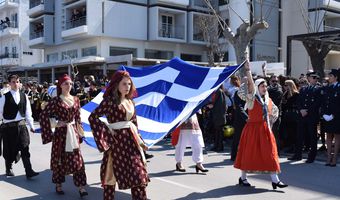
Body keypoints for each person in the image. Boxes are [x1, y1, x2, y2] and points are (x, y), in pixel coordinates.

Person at [88, 70, 149, 200]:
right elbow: (93, 117)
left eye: (129, 84)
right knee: (110, 178)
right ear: (116, 85)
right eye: (124, 84)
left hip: (131, 144)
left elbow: (134, 123)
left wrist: (141, 141)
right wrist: (107, 135)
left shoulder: (130, 102)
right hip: (116, 144)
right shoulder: (109, 101)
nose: (127, 87)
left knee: (139, 176)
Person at [234, 61, 288, 190]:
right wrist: (248, 71)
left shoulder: (268, 100)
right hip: (252, 130)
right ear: (257, 88)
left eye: (265, 86)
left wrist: (270, 121)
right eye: (262, 86)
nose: (265, 88)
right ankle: (243, 178)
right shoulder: (252, 99)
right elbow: (251, 86)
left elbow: (275, 111)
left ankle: (275, 180)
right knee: (248, 154)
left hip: (265, 130)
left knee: (271, 153)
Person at [39, 74, 88, 197]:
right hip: (61, 134)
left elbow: (78, 118)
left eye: (70, 83)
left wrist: (81, 133)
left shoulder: (76, 99)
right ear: (60, 85)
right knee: (59, 159)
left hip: (73, 133)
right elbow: (43, 115)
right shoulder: (55, 100)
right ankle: (58, 185)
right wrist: (55, 123)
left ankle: (81, 187)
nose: (69, 86)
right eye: (66, 83)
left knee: (77, 159)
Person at [0, 74, 39, 178]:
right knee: (9, 149)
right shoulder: (4, 97)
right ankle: (9, 168)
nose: (16, 84)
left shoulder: (24, 96)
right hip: (9, 127)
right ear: (9, 84)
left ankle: (29, 170)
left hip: (21, 126)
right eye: (13, 82)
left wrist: (31, 125)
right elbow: (0, 112)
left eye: (17, 81)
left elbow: (28, 113)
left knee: (25, 147)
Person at [289, 72, 321, 163]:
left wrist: (307, 111)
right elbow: (299, 101)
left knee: (312, 136)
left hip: (311, 116)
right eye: (309, 77)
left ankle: (311, 156)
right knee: (299, 135)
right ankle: (297, 154)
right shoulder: (304, 89)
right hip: (302, 115)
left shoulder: (318, 89)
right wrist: (301, 110)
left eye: (311, 77)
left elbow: (317, 103)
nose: (309, 79)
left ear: (315, 79)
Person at [321, 69, 340, 167]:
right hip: (327, 116)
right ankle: (328, 158)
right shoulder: (327, 88)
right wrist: (324, 114)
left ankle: (334, 158)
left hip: (336, 117)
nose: (329, 78)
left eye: (331, 76)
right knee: (328, 136)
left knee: (337, 137)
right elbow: (324, 102)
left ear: (336, 77)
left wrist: (333, 115)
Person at [281, 80, 299, 152]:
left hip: (293, 114)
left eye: (286, 85)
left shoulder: (296, 94)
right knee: (289, 131)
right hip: (287, 115)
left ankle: (295, 147)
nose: (285, 87)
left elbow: (295, 104)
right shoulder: (285, 94)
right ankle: (291, 146)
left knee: (294, 131)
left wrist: (286, 103)